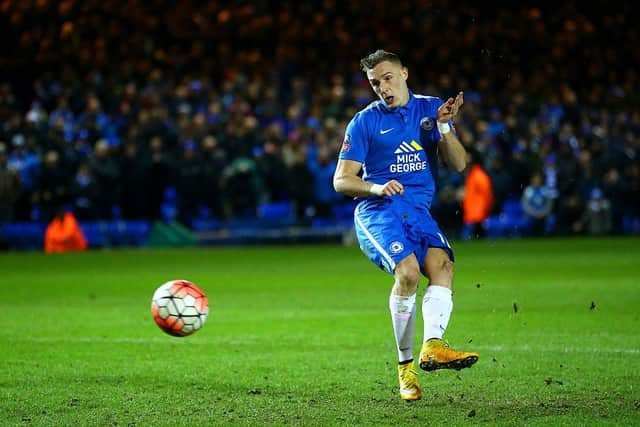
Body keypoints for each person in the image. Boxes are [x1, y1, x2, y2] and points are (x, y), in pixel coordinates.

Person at [333, 50, 478, 401]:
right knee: (409, 273)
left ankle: (433, 346)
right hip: (378, 210)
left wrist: (443, 125)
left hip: (417, 210)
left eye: (387, 78)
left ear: (405, 73)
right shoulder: (364, 122)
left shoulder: (431, 109)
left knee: (442, 266)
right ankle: (405, 368)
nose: (383, 87)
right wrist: (376, 187)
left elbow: (459, 164)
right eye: (374, 83)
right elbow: (341, 180)